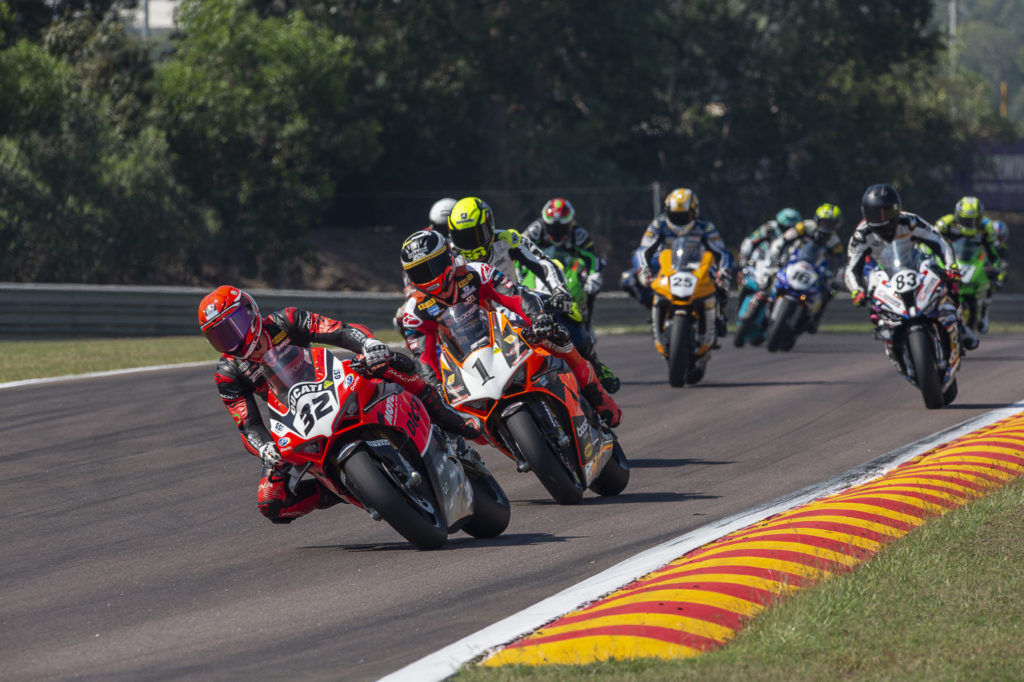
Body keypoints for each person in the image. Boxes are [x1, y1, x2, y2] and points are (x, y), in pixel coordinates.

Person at [199, 285, 481, 525]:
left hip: (329, 381)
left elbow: (340, 331)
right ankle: (341, 488)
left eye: (234, 325)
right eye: (221, 335)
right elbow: (248, 424)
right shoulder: (228, 373)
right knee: (270, 502)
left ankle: (447, 418)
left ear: (250, 312)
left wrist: (368, 345)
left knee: (389, 364)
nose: (232, 339)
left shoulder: (286, 320)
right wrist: (265, 448)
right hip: (296, 418)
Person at [399, 230, 622, 426]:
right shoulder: (414, 311)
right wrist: (433, 384)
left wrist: (537, 317)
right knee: (446, 413)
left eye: (434, 267)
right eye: (420, 273)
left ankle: (601, 399)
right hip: (461, 361)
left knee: (556, 337)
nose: (430, 277)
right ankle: (468, 462)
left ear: (448, 257)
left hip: (501, 333)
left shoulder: (476, 272)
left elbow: (515, 295)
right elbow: (423, 356)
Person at [446, 196, 620, 393]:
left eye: (476, 235)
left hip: (518, 306)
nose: (470, 243)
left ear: (489, 226)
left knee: (569, 312)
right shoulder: (450, 258)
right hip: (477, 321)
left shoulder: (507, 240)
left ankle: (594, 366)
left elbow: (544, 263)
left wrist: (560, 291)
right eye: (463, 237)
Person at [843, 184, 978, 350]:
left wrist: (951, 267)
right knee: (870, 288)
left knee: (942, 276)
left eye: (888, 212)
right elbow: (850, 267)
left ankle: (958, 323)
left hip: (911, 260)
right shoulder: (860, 235)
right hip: (879, 269)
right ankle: (885, 326)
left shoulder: (910, 221)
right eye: (875, 214)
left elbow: (939, 241)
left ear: (897, 209)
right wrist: (857, 290)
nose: (882, 218)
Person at [628, 187, 733, 337]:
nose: (679, 220)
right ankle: (654, 306)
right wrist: (643, 268)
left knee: (720, 282)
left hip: (698, 265)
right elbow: (644, 249)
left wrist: (723, 271)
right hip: (666, 264)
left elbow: (721, 252)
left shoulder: (705, 227)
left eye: (684, 215)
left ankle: (719, 314)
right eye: (675, 215)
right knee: (628, 279)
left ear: (694, 212)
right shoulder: (659, 224)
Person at [522, 198, 607, 326]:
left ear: (571, 223)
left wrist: (593, 275)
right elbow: (518, 250)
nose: (557, 232)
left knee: (592, 288)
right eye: (552, 228)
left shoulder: (579, 234)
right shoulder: (535, 230)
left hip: (570, 271)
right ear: (545, 223)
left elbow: (591, 257)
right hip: (539, 270)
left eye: (561, 228)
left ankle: (587, 321)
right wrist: (517, 272)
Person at [766, 203, 845, 333]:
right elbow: (784, 239)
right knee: (771, 276)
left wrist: (836, 278)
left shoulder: (834, 241)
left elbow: (839, 262)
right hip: (792, 260)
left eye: (831, 223)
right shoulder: (804, 227)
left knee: (829, 292)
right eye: (825, 222)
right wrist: (777, 257)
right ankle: (769, 300)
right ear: (817, 220)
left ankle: (815, 318)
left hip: (816, 269)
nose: (827, 226)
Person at [934, 196, 1004, 333]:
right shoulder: (947, 224)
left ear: (979, 218)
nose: (969, 224)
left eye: (973, 220)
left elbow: (993, 251)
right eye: (965, 220)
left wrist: (996, 267)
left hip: (973, 262)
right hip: (949, 261)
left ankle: (984, 312)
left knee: (993, 283)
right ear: (958, 216)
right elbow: (930, 241)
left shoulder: (986, 228)